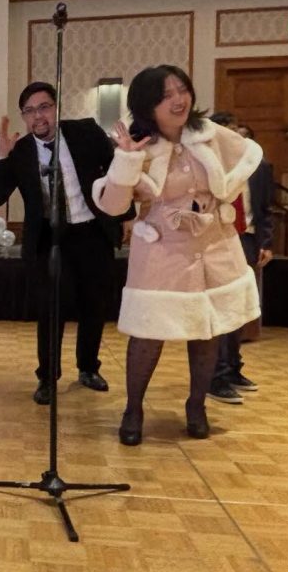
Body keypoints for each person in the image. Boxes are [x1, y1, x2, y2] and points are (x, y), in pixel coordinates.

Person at [93, 64, 262, 445]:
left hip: (213, 245)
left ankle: (196, 405)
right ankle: (133, 409)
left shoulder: (210, 134)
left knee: (206, 328)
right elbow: (113, 205)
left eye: (181, 90)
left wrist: (216, 205)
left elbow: (241, 167)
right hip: (161, 249)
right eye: (166, 95)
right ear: (146, 105)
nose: (178, 100)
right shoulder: (137, 146)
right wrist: (126, 162)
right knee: (148, 333)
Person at [0, 82, 129, 405]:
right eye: (30, 111)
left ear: (56, 107)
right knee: (51, 309)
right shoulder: (20, 151)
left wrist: (125, 215)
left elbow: (117, 172)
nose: (38, 116)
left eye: (44, 107)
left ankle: (88, 367)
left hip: (91, 232)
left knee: (94, 305)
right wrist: (2, 156)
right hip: (49, 240)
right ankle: (47, 377)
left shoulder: (85, 132)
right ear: (24, 116)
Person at [209, 121, 273, 403]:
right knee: (220, 309)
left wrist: (266, 243)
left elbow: (265, 209)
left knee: (240, 308)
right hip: (215, 240)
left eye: (240, 135)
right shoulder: (209, 166)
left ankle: (233, 368)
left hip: (246, 239)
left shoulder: (258, 167)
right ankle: (216, 375)